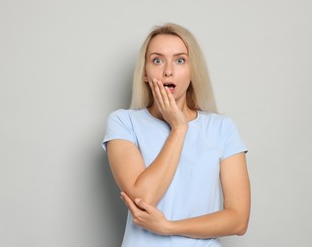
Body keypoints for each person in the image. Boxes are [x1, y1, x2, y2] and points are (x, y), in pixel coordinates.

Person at [102, 23, 250, 247]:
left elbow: (238, 220)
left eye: (180, 60)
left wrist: (169, 227)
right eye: (157, 60)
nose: (168, 71)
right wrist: (179, 129)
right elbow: (144, 198)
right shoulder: (124, 122)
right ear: (144, 72)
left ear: (192, 70)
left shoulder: (222, 127)